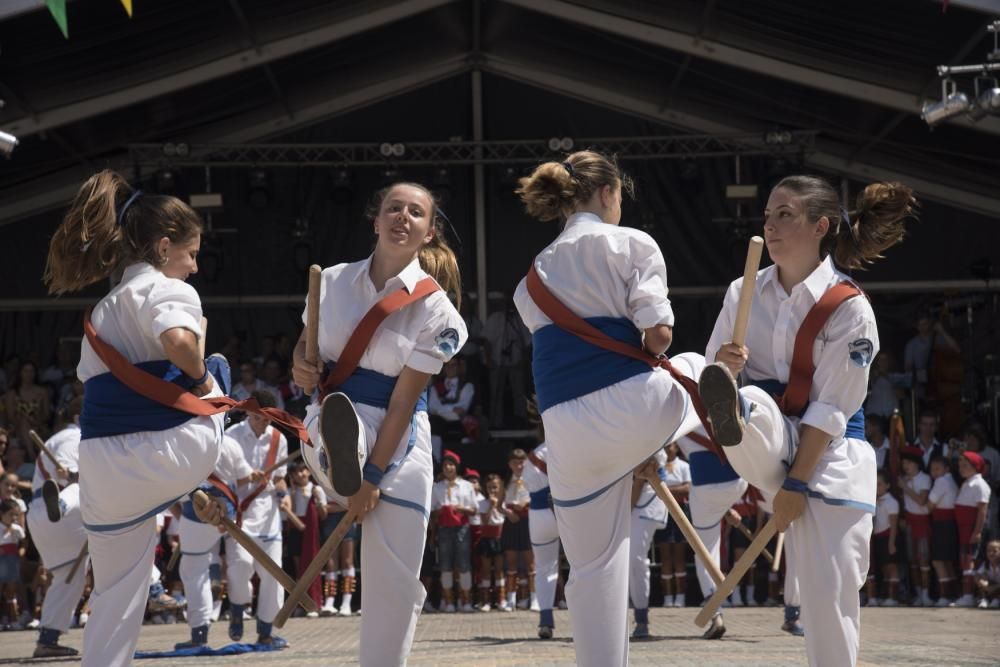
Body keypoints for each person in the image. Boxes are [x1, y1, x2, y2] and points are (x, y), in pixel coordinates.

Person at [700, 175, 916, 667]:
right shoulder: (743, 292)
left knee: (829, 600)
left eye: (785, 215)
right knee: (733, 390)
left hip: (832, 455)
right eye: (768, 215)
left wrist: (797, 485)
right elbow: (717, 360)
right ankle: (738, 411)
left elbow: (832, 409)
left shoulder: (851, 308)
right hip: (770, 436)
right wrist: (723, 367)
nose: (770, 226)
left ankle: (742, 412)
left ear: (821, 226)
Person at [512, 151, 708, 667]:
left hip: (567, 437)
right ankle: (758, 436)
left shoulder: (529, 280)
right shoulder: (631, 243)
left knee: (595, 572)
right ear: (609, 193)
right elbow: (658, 336)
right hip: (633, 409)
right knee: (697, 365)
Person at [43, 170, 235, 667]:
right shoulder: (167, 288)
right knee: (218, 374)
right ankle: (217, 484)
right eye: (191, 254)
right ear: (165, 246)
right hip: (174, 448)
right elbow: (176, 341)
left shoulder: (102, 311)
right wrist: (199, 368)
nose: (193, 267)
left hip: (103, 468)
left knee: (115, 594)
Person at [294, 182, 467, 667]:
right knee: (332, 426)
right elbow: (303, 350)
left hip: (401, 436)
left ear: (428, 233)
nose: (402, 217)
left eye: (415, 213)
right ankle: (337, 455)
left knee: (395, 578)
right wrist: (300, 367)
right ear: (376, 220)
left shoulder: (438, 311)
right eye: (394, 208)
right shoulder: (328, 281)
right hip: (332, 411)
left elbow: (403, 403)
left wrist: (371, 479)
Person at [175, 435, 259, 649]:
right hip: (228, 509)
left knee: (195, 572)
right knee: (240, 564)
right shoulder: (230, 442)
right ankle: (238, 610)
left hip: (195, 512)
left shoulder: (178, 441)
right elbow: (243, 476)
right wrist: (252, 477)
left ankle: (199, 634)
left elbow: (169, 488)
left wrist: (179, 515)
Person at [225, 390, 289, 646]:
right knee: (240, 567)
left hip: (268, 515)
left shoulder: (279, 439)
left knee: (273, 574)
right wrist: (246, 477)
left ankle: (265, 631)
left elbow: (280, 477)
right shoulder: (231, 437)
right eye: (260, 418)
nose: (264, 423)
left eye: (268, 419)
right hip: (239, 511)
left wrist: (284, 494)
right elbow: (222, 477)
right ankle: (238, 610)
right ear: (250, 413)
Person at [25, 399, 87, 657]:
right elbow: (70, 475)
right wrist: (72, 475)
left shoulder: (66, 438)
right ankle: (153, 586)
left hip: (41, 517)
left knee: (69, 578)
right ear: (77, 416)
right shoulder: (73, 437)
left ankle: (48, 639)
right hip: (60, 510)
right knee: (87, 490)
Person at [674, 428, 747, 639]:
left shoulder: (681, 416)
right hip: (738, 482)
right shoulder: (724, 409)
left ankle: (716, 613)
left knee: (704, 552)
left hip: (706, 486)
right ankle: (794, 612)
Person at [521, 413, 561, 638]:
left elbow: (528, 485)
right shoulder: (570, 447)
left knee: (545, 568)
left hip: (539, 514)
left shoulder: (533, 455)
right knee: (583, 566)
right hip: (567, 509)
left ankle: (545, 621)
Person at [628, 448, 670, 639]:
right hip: (632, 498)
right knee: (629, 562)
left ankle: (641, 619)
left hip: (647, 496)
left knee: (636, 560)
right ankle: (636, 616)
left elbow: (643, 473)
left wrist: (627, 506)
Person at [430, 450, 477, 612]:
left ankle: (466, 601)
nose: (448, 468)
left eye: (451, 465)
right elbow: (432, 511)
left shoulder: (467, 486)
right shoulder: (437, 487)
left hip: (462, 527)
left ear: (456, 467)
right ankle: (449, 601)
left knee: (464, 563)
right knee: (445, 564)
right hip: (444, 528)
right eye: (445, 465)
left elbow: (474, 509)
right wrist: (443, 510)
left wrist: (460, 508)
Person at [653, 443, 691, 613]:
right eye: (665, 447)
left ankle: (680, 597)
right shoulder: (658, 465)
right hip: (662, 511)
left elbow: (687, 488)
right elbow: (654, 489)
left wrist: (666, 490)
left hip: (680, 511)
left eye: (671, 446)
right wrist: (672, 490)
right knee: (665, 556)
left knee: (679, 556)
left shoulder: (684, 466)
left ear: (677, 448)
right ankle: (668, 597)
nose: (668, 450)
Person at [954, 451, 991, 607]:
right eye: (960, 465)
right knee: (965, 562)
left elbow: (982, 511)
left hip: (973, 529)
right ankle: (966, 595)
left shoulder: (980, 485)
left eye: (965, 465)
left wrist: (977, 532)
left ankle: (976, 596)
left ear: (975, 467)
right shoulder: (966, 483)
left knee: (974, 562)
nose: (961, 468)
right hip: (963, 529)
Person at [898, 446, 932, 606]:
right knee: (912, 560)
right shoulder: (904, 478)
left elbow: (921, 500)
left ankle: (926, 594)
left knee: (923, 559)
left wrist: (905, 487)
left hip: (922, 521)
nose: (906, 466)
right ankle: (918, 594)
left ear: (917, 464)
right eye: (904, 463)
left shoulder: (924, 478)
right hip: (910, 522)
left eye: (909, 463)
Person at [925, 455, 959, 606]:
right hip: (949, 524)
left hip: (942, 524)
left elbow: (929, 506)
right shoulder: (951, 480)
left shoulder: (941, 481)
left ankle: (945, 597)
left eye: (937, 468)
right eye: (932, 469)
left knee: (938, 561)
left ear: (946, 469)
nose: (934, 472)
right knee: (947, 562)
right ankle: (953, 595)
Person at [865, 470, 899, 606]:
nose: (877, 487)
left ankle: (893, 598)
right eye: (875, 484)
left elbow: (894, 524)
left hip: (888, 537)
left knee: (891, 567)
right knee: (883, 568)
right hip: (877, 537)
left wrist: (891, 543)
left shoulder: (891, 502)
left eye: (879, 484)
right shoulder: (873, 500)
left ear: (887, 486)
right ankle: (882, 596)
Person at [477, 473, 508, 613]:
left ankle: (501, 600)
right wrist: (491, 506)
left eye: (495, 487)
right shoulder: (482, 503)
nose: (492, 490)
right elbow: (484, 521)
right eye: (489, 488)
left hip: (500, 537)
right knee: (486, 570)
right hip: (486, 537)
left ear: (500, 487)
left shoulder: (504, 502)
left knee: (499, 570)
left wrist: (499, 505)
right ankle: (486, 601)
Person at [973, 539, 1000, 608]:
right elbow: (977, 575)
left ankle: (997, 600)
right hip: (991, 588)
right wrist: (982, 582)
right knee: (983, 578)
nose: (991, 553)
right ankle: (984, 600)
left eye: (994, 551)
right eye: (988, 551)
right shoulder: (986, 564)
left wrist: (993, 588)